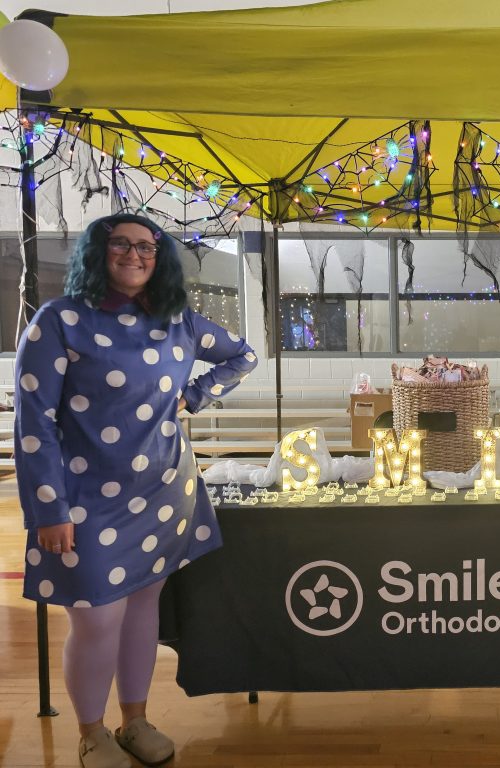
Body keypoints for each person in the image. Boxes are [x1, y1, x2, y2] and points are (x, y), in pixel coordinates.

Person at [14, 213, 258, 768]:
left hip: (164, 491)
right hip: (83, 501)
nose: (134, 254)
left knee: (144, 608)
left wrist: (195, 396)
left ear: (160, 256)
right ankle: (91, 732)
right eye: (120, 243)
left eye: (147, 246)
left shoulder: (178, 321)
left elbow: (242, 356)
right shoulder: (59, 320)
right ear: (97, 253)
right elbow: (34, 424)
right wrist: (48, 509)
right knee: (97, 618)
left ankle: (136, 719)